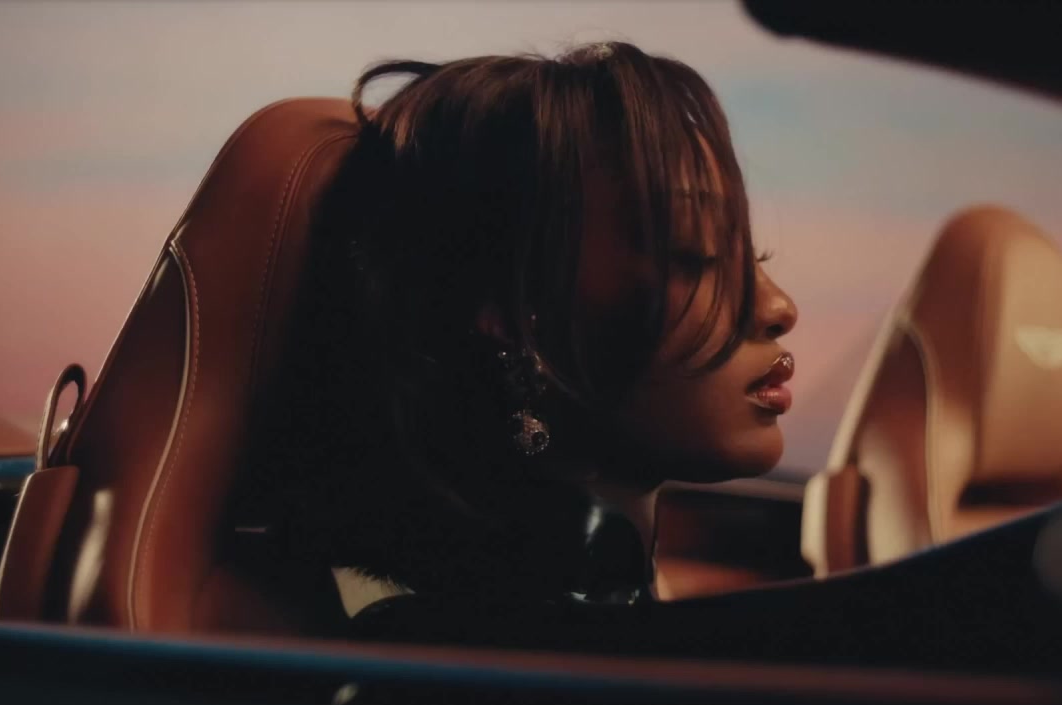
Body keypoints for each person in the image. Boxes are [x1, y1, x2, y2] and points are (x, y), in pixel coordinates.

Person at [251, 41, 798, 624]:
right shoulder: (451, 653)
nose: (778, 307)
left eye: (754, 256)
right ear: (512, 308)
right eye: (699, 250)